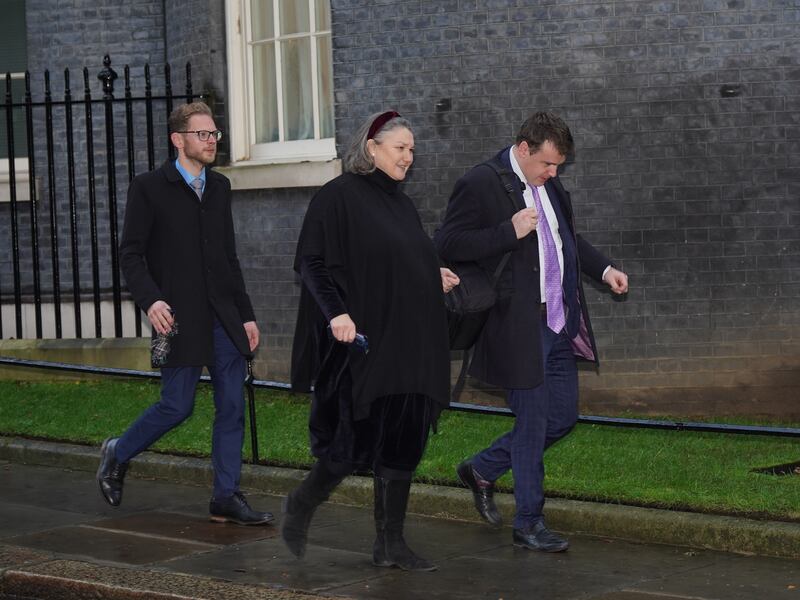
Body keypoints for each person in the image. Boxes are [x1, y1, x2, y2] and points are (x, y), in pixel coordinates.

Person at [434, 111, 628, 552]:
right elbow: (449, 244)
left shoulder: (549, 185)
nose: (553, 173)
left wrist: (605, 268)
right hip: (514, 327)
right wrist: (508, 231)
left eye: (558, 166)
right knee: (534, 419)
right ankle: (529, 522)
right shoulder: (480, 183)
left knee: (562, 417)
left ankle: (482, 468)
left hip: (558, 321)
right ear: (524, 149)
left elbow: (566, 238)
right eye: (547, 164)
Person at [285, 110, 459, 571]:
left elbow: (398, 260)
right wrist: (336, 313)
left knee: (405, 440)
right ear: (372, 148)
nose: (409, 156)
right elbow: (312, 263)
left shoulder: (402, 205)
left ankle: (391, 544)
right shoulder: (337, 197)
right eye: (401, 147)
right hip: (369, 347)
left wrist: (431, 271)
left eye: (413, 149)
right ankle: (301, 503)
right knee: (354, 446)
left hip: (413, 347)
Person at [96, 102, 272, 526]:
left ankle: (225, 495)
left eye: (214, 135)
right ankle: (118, 452)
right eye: (203, 134)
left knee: (232, 406)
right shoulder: (149, 187)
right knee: (177, 406)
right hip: (174, 317)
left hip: (224, 316)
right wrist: (151, 300)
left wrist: (246, 315)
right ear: (178, 139)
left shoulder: (221, 187)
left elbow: (228, 257)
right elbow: (131, 254)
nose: (211, 141)